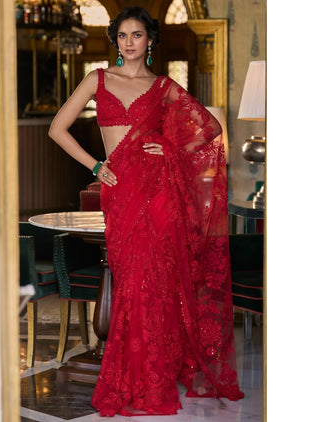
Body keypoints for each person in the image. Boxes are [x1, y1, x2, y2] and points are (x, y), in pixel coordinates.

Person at [48, 6, 244, 417]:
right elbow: (57, 129)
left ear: (150, 40)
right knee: (131, 281)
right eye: (122, 36)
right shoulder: (97, 79)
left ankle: (151, 377)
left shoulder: (163, 87)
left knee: (153, 283)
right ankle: (137, 374)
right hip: (120, 192)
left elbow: (210, 128)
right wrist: (96, 167)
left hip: (158, 194)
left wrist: (170, 148)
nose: (129, 42)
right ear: (115, 41)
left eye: (137, 35)